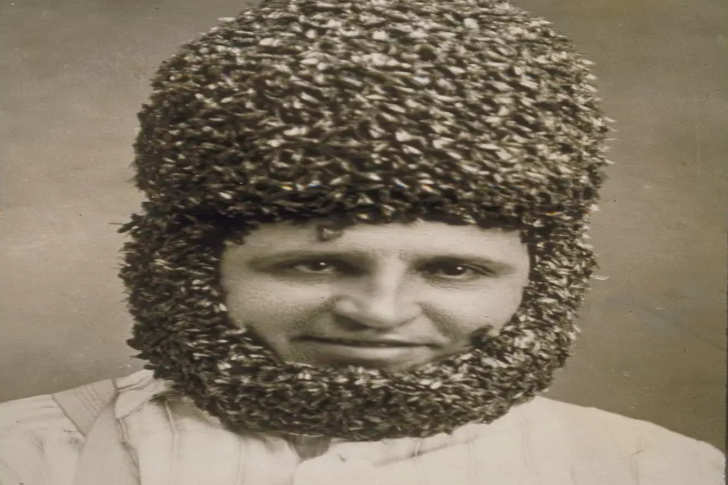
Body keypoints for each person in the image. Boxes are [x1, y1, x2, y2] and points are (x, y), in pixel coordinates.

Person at [0, 0, 723, 483]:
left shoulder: (655, 471)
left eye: (454, 269)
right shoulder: (26, 458)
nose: (379, 312)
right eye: (315, 262)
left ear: (541, 279)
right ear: (193, 267)